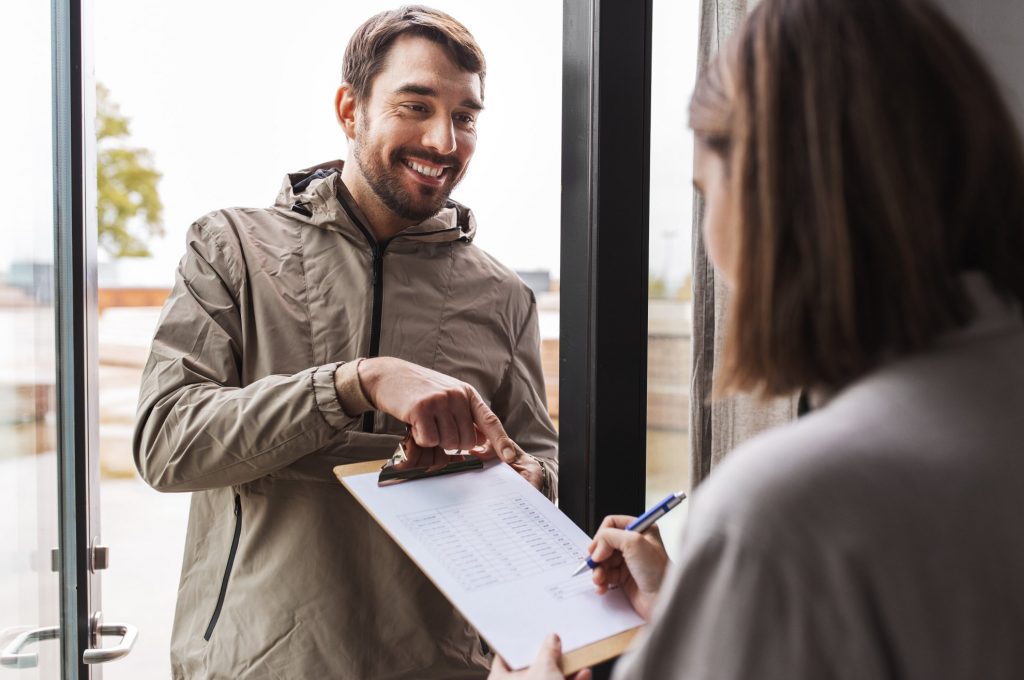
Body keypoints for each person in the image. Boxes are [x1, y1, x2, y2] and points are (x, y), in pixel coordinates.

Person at [492, 0, 1024, 677]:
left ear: (767, 196)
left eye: (705, 192)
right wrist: (699, 606)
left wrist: (744, 575)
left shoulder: (790, 510)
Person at [133, 6, 559, 679]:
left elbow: (537, 468)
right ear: (349, 109)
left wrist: (523, 479)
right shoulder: (231, 248)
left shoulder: (504, 297)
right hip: (252, 666)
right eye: (415, 106)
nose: (444, 141)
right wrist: (353, 383)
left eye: (466, 117)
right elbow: (166, 446)